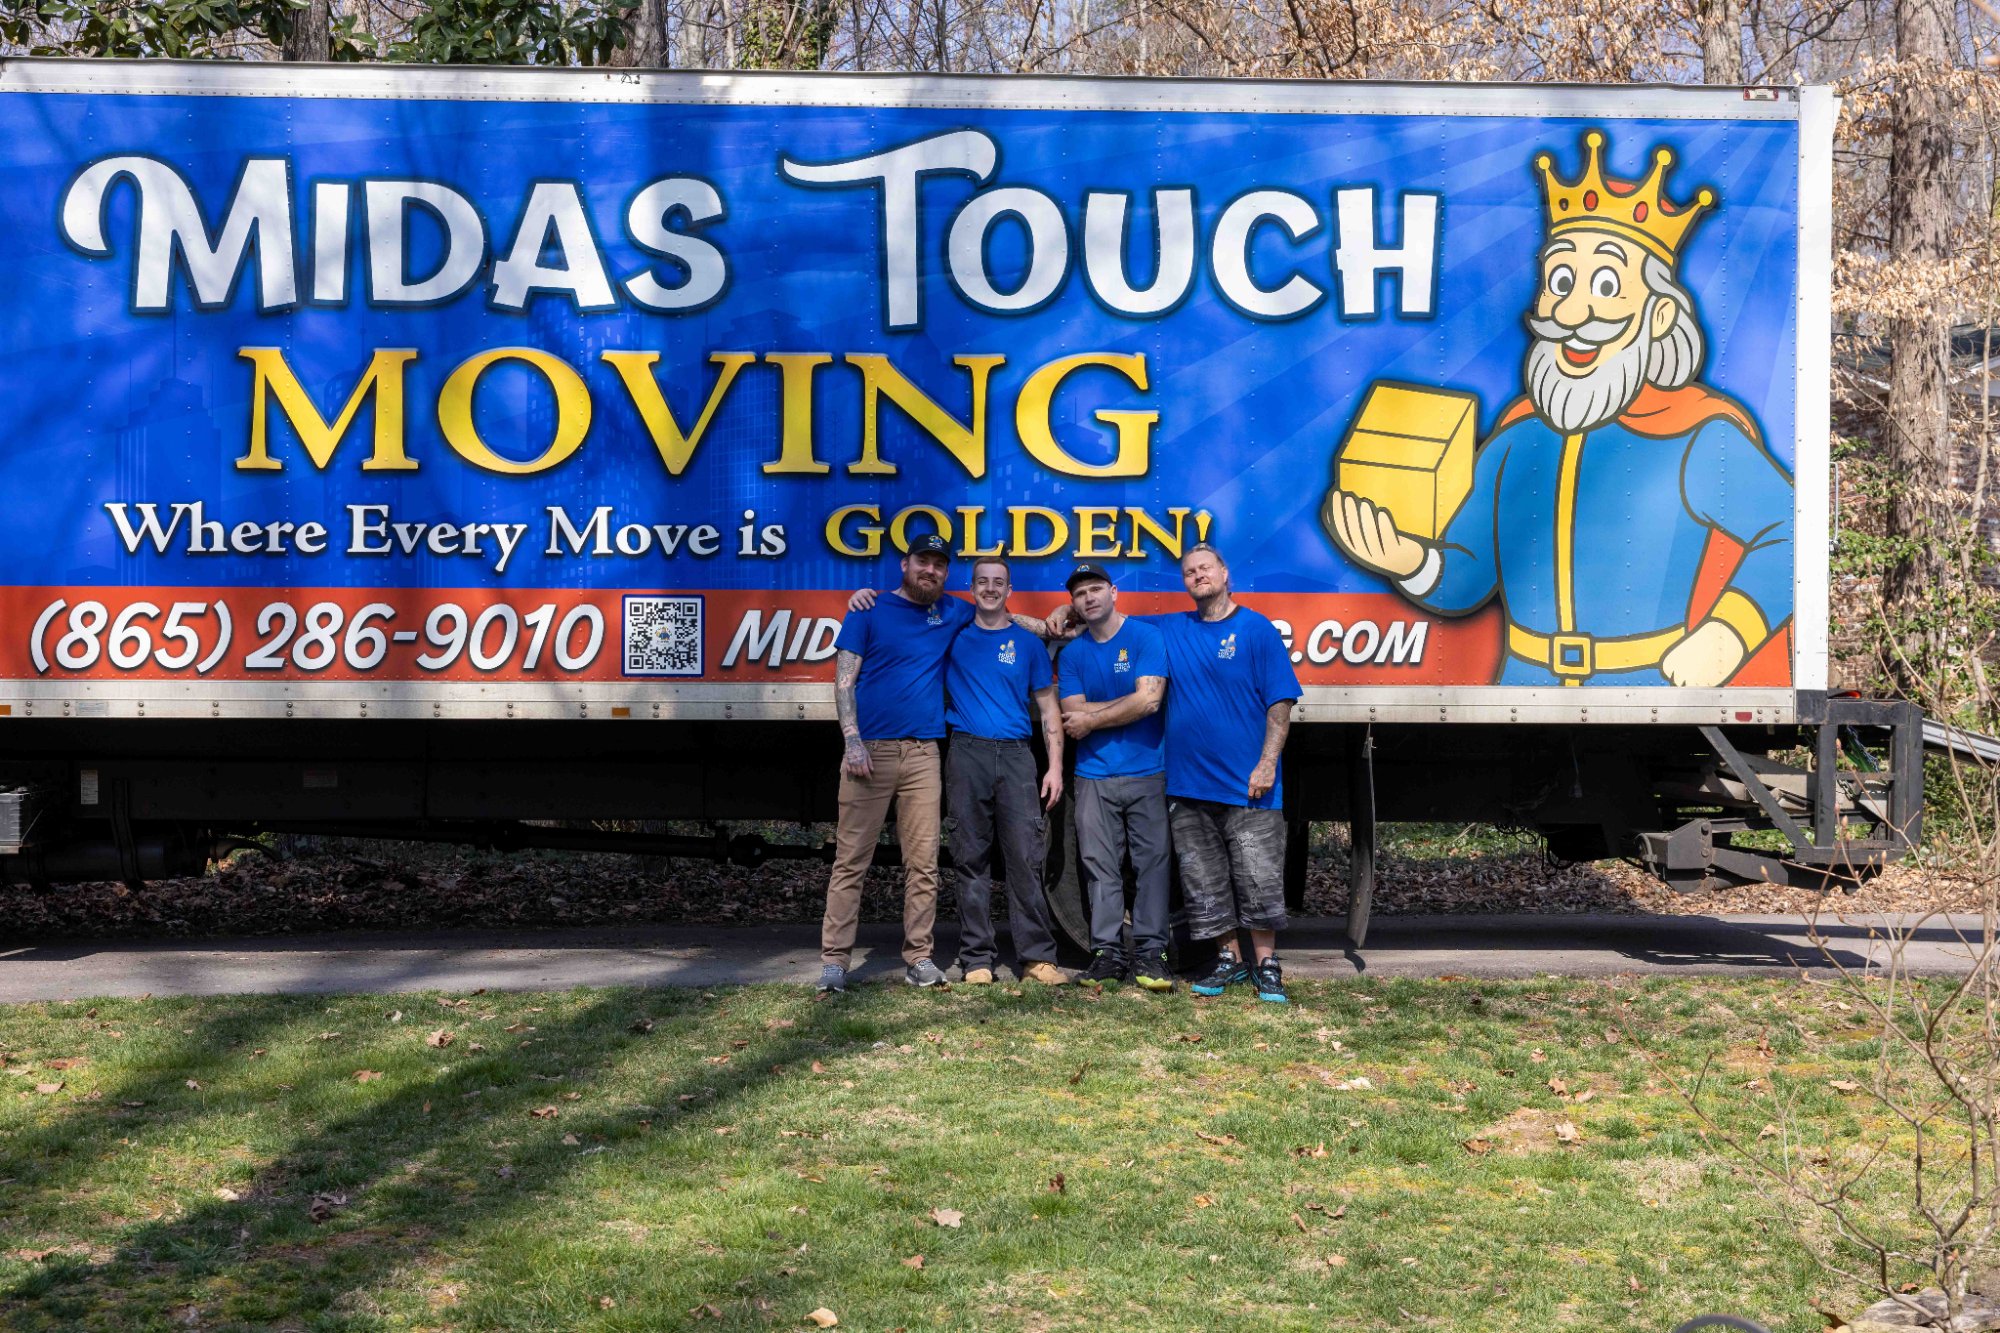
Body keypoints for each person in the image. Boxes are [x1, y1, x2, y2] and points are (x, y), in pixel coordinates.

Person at [818, 534, 972, 992]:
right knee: (851, 861)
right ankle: (834, 963)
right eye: (923, 561)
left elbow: (1001, 617)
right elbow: (844, 682)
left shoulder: (953, 611)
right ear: (905, 565)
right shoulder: (868, 610)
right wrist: (852, 741)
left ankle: (919, 959)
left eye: (939, 565)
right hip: (870, 752)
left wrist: (1057, 622)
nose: (931, 570)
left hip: (924, 752)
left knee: (923, 864)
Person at [1151, 544, 1302, 1003]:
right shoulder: (1172, 628)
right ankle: (1230, 962)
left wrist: (1267, 763)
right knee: (1204, 881)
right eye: (1190, 572)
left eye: (1205, 568)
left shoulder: (1255, 629)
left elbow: (1281, 702)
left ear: (1225, 574)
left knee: (1258, 878)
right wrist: (1065, 613)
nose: (1198, 576)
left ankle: (1268, 966)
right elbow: (1111, 627)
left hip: (1249, 785)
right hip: (1189, 785)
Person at [942, 556, 1069, 987]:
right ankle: (976, 959)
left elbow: (1050, 710)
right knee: (970, 859)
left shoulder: (1029, 645)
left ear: (1009, 591)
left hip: (1016, 756)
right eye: (982, 581)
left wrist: (1054, 768)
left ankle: (1037, 959)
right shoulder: (953, 636)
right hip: (967, 753)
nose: (990, 588)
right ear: (971, 587)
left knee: (1025, 859)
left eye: (999, 582)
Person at [1056, 564, 1173, 991]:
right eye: (1080, 593)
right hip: (1093, 776)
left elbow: (1150, 701)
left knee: (1153, 867)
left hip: (1147, 771)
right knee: (1099, 868)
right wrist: (1125, 704)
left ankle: (1151, 955)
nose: (1089, 598)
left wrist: (1096, 715)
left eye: (1096, 589)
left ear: (1114, 593)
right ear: (1074, 603)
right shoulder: (1072, 655)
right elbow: (1072, 716)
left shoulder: (1146, 638)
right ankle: (1105, 953)